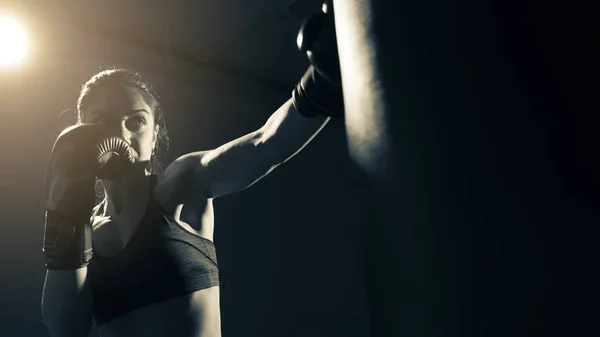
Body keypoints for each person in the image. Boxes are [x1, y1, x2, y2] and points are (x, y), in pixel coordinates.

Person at [40, 4, 341, 337]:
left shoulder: (182, 184)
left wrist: (321, 82)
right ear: (82, 132)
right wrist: (66, 215)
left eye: (136, 121)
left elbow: (264, 145)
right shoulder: (84, 231)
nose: (121, 133)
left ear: (154, 137)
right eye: (102, 121)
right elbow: (65, 329)